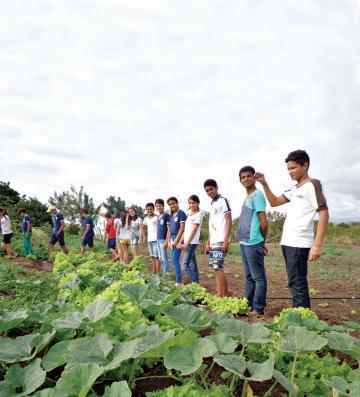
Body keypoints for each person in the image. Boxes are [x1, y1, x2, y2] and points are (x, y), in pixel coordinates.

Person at [255, 149, 329, 308]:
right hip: (288, 242)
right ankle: (300, 316)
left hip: (300, 243)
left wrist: (316, 246)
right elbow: (274, 202)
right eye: (288, 169)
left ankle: (303, 322)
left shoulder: (312, 185)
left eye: (293, 168)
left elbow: (323, 213)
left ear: (305, 165)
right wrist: (264, 183)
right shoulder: (294, 189)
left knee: (297, 282)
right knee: (293, 281)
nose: (290, 172)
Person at [238, 166, 268, 317]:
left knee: (258, 277)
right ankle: (248, 304)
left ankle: (258, 308)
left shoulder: (257, 195)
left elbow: (263, 222)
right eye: (243, 177)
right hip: (244, 242)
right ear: (240, 180)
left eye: (249, 176)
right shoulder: (247, 197)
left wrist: (262, 242)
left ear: (254, 178)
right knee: (249, 276)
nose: (246, 179)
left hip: (254, 242)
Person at [204, 179, 231, 297]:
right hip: (214, 241)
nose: (209, 192)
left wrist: (226, 240)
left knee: (218, 267)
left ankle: (224, 296)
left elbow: (229, 220)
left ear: (216, 187)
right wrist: (208, 242)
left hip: (221, 240)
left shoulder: (223, 201)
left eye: (211, 189)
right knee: (216, 268)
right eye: (207, 190)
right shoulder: (212, 204)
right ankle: (220, 294)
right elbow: (211, 225)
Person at [177, 195, 202, 283]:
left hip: (192, 243)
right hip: (188, 242)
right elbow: (186, 230)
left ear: (198, 203)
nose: (191, 205)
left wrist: (186, 244)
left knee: (184, 265)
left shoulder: (198, 214)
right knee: (193, 265)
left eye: (194, 203)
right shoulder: (189, 215)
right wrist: (180, 241)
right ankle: (196, 285)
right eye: (190, 203)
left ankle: (194, 283)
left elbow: (194, 230)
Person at [167, 197, 187, 284]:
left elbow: (182, 228)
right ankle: (178, 280)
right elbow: (170, 229)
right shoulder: (171, 215)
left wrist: (176, 241)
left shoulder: (181, 213)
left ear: (177, 203)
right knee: (175, 260)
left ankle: (178, 282)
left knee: (175, 260)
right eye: (170, 204)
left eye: (173, 203)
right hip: (173, 238)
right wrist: (169, 240)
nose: (172, 205)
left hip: (179, 239)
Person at [143, 203, 161, 273]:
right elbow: (142, 228)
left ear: (153, 209)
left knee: (157, 257)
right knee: (152, 257)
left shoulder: (157, 217)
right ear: (146, 210)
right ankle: (154, 272)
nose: (149, 210)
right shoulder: (145, 219)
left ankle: (158, 273)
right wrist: (144, 236)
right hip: (149, 240)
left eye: (151, 209)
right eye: (148, 209)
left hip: (156, 240)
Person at [155, 199, 171, 276]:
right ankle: (164, 273)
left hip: (163, 240)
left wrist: (167, 241)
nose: (158, 207)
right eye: (157, 206)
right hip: (158, 240)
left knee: (165, 259)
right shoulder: (158, 216)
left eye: (160, 205)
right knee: (161, 258)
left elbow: (169, 229)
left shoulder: (167, 215)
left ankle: (166, 275)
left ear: (163, 206)